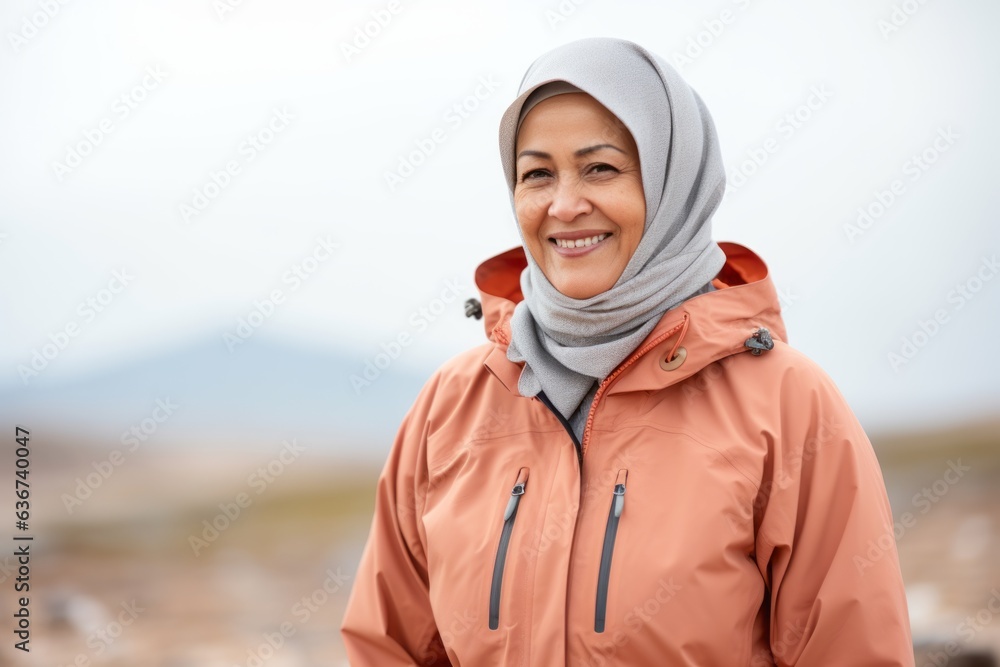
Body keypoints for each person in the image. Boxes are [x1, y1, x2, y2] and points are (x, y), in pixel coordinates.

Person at [341, 37, 913, 666]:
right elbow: (388, 647)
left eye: (601, 168)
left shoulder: (787, 405)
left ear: (674, 181)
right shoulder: (452, 405)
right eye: (536, 174)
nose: (564, 205)